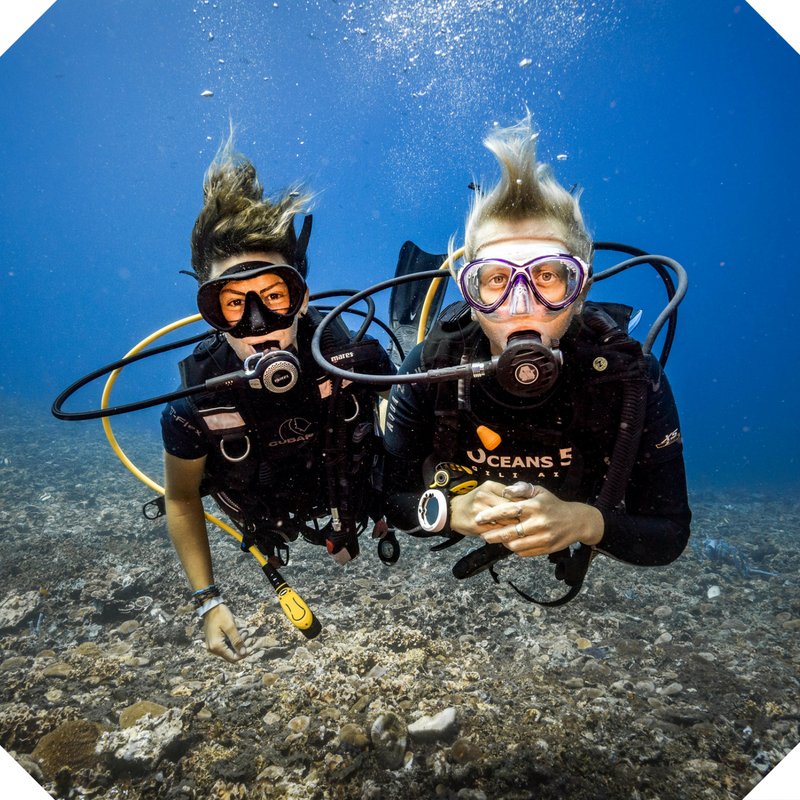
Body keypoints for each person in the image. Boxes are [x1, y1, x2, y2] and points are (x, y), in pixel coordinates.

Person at [383, 116, 691, 601]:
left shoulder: (629, 378)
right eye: (496, 280)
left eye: (548, 276)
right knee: (406, 349)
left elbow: (669, 532)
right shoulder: (432, 366)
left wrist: (586, 522)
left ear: (581, 288)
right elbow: (386, 495)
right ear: (470, 292)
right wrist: (448, 509)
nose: (521, 305)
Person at [161, 137, 393, 661]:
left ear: (303, 296)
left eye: (274, 296)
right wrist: (207, 601)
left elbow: (410, 435)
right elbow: (180, 498)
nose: (259, 326)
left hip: (354, 506)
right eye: (234, 304)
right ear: (210, 314)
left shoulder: (358, 361)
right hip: (269, 522)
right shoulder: (194, 407)